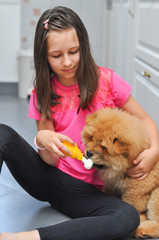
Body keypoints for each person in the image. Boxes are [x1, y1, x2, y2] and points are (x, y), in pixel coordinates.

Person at [0, 6, 159, 240]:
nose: (67, 62)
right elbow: (50, 161)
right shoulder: (42, 93)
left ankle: (26, 238)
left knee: (127, 217)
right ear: (44, 57)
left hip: (86, 191)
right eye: (56, 56)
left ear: (83, 47)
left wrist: (154, 150)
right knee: (3, 134)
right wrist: (42, 139)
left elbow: (145, 119)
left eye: (73, 51)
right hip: (51, 177)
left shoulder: (106, 80)